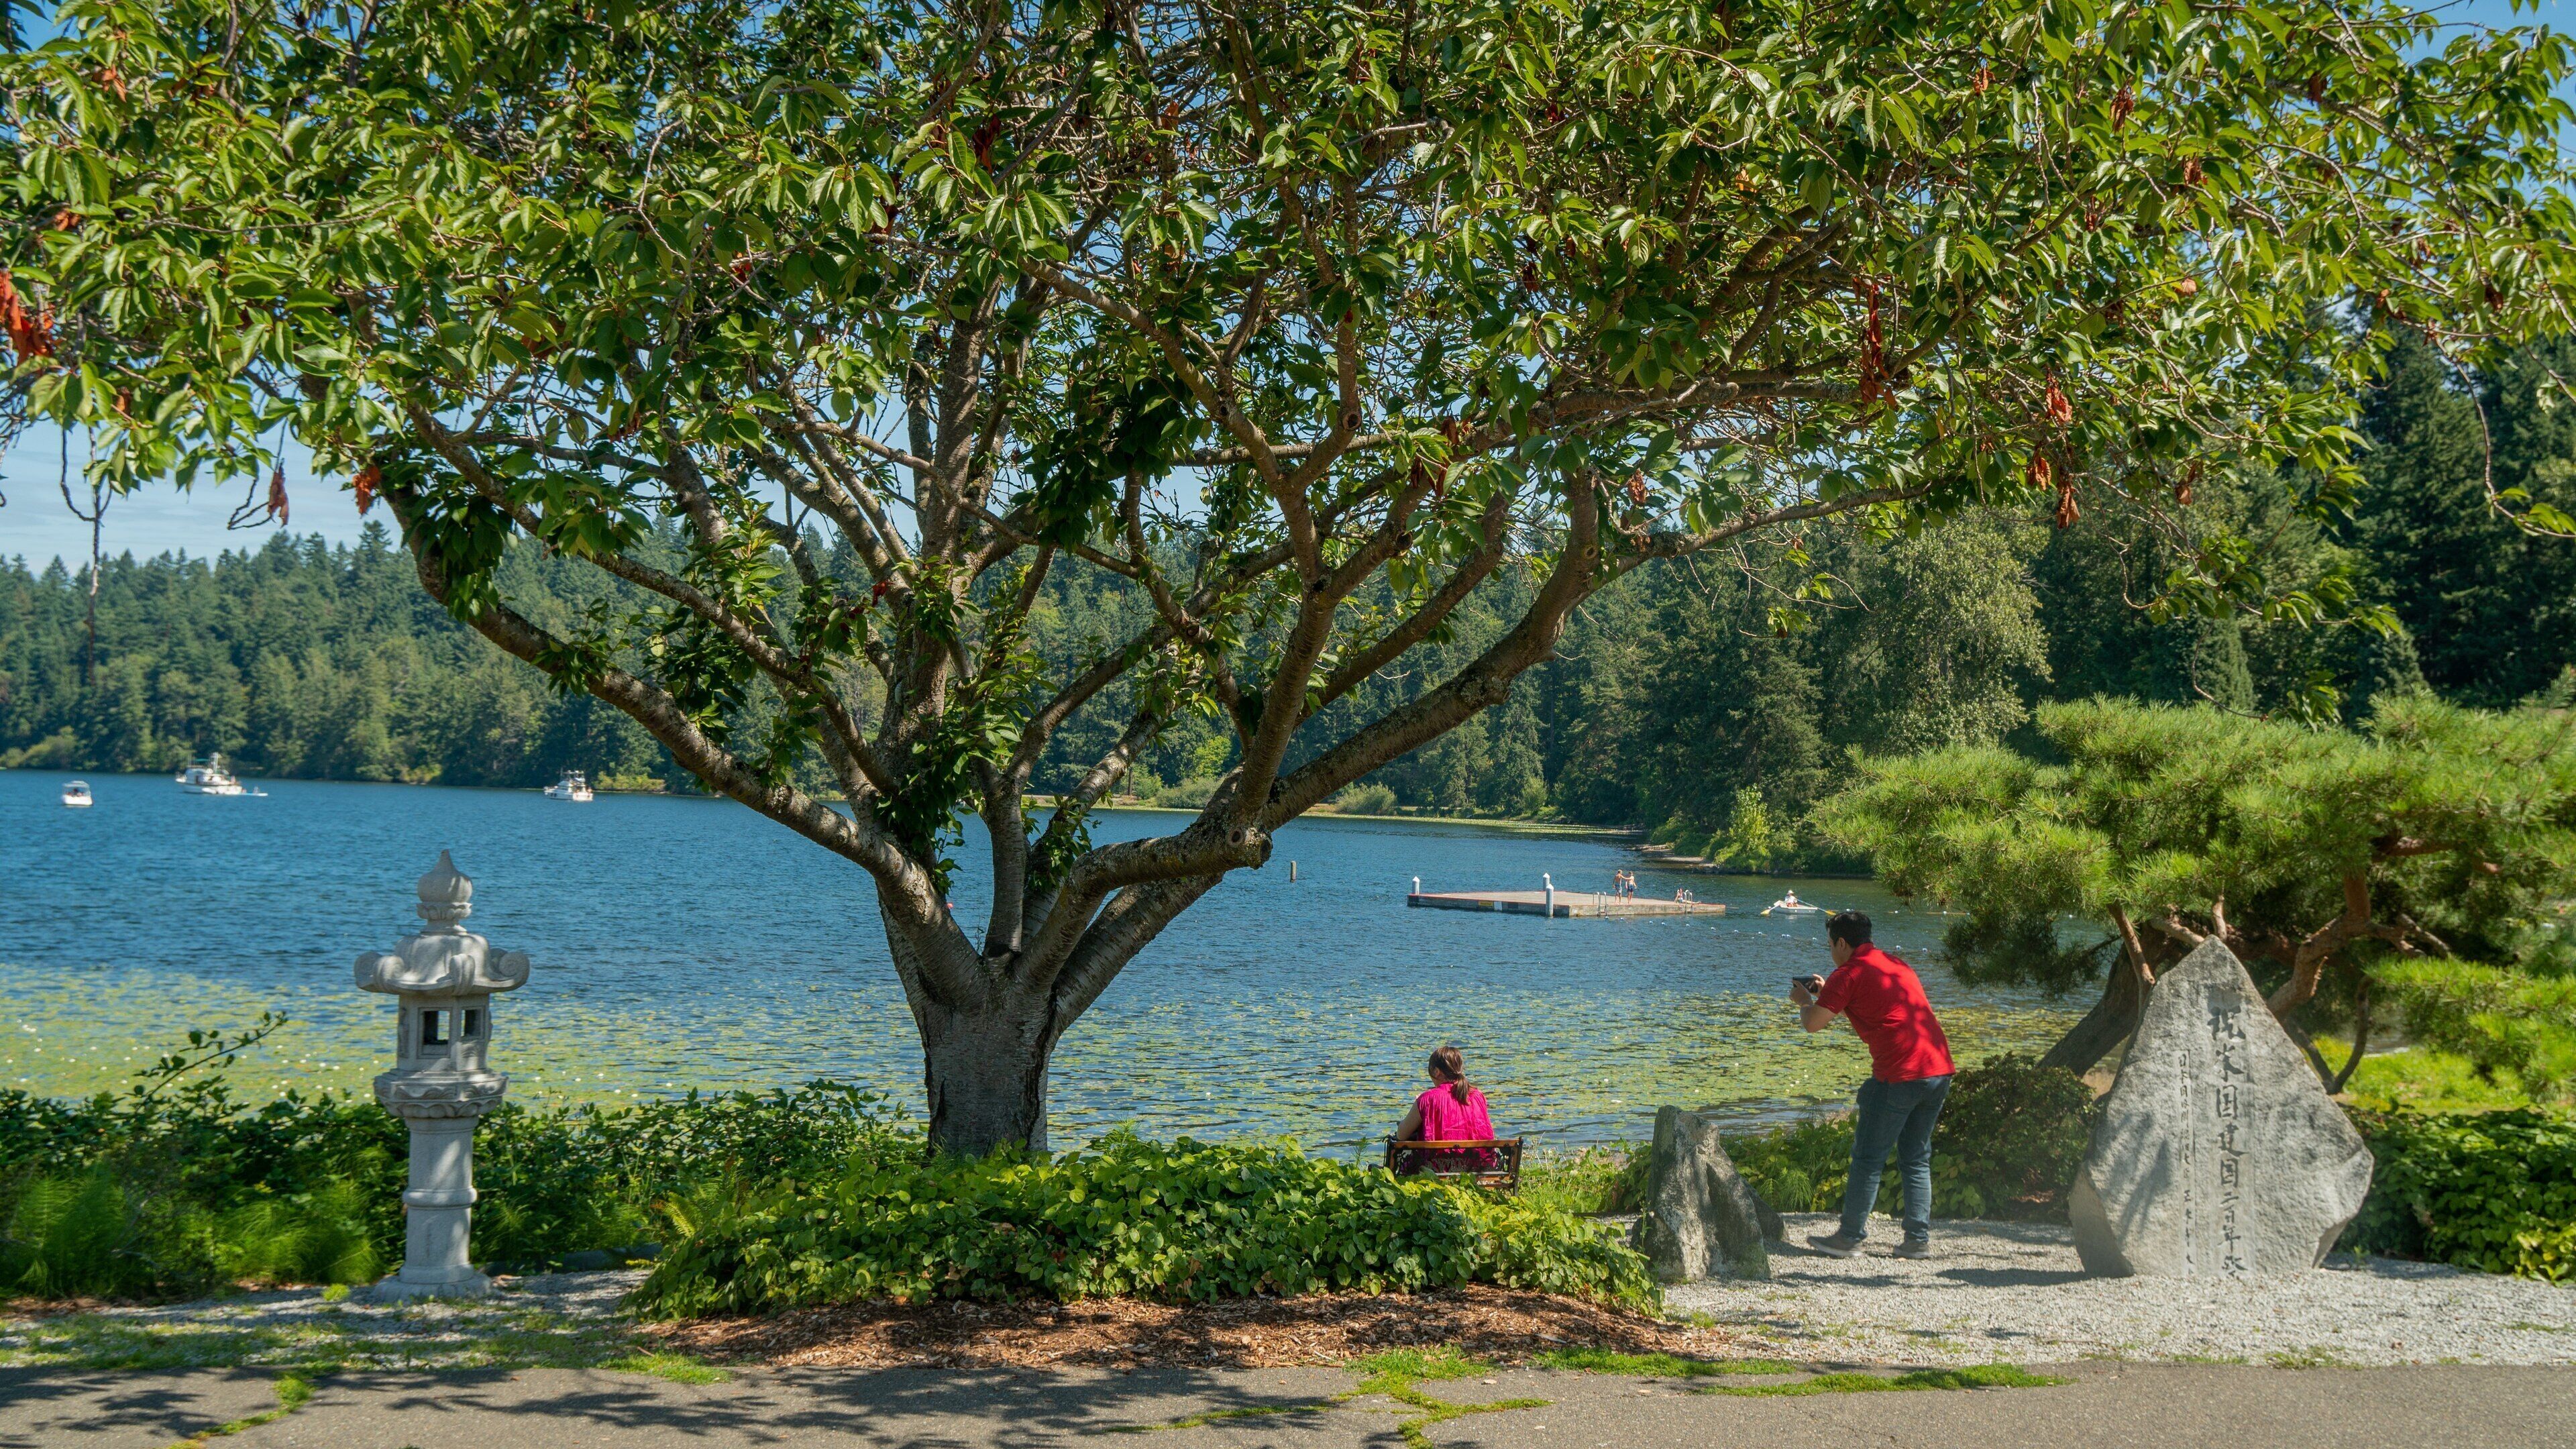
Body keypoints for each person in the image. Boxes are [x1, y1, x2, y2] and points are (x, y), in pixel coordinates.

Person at [1789, 910, 1954, 1259]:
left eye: (1831, 944)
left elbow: (1813, 1024)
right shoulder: (1896, 963)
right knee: (1916, 1157)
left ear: (1843, 943)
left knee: (1868, 1157)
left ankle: (1849, 1238)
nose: (1830, 950)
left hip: (1901, 1074)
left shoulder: (1848, 973)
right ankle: (1917, 1242)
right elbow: (1876, 1003)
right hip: (1938, 1068)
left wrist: (1806, 1001)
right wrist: (1828, 988)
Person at [1392, 1044, 1496, 1173]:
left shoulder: (1427, 1099)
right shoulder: (1478, 1096)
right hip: (1476, 1168)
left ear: (1436, 1071)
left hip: (1436, 1170)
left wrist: (1419, 1105)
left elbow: (1401, 1135)